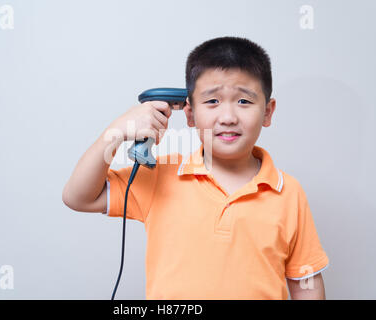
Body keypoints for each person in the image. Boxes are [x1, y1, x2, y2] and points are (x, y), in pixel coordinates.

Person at [62, 36, 329, 300]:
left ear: (268, 112)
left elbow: (305, 282)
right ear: (189, 114)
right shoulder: (161, 177)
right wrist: (115, 133)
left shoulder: (288, 193)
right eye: (212, 101)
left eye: (244, 101)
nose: (227, 118)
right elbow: (79, 197)